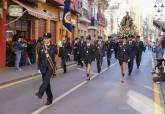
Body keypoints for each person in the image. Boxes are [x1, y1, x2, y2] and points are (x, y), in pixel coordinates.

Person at [36, 33, 57, 105]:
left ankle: (40, 93)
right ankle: (50, 98)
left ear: (50, 39)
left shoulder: (53, 46)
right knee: (47, 84)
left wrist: (55, 67)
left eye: (46, 38)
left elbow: (55, 55)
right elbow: (39, 58)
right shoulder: (41, 47)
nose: (45, 40)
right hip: (43, 68)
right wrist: (38, 68)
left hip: (50, 67)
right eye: (44, 38)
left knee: (46, 80)